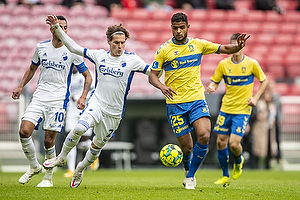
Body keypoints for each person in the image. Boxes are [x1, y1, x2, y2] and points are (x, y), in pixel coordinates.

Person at [43, 15, 154, 188]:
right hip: (97, 104)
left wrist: (166, 68)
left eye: (123, 43)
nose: (120, 46)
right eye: (116, 42)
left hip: (115, 114)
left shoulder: (132, 59)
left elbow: (153, 72)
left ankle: (80, 169)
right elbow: (73, 47)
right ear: (109, 41)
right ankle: (61, 158)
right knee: (79, 128)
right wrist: (57, 28)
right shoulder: (99, 55)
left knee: (95, 148)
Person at [148, 12, 250, 190]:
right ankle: (187, 166)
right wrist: (162, 87)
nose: (178, 31)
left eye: (181, 27)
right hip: (175, 104)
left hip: (196, 99)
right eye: (175, 28)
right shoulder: (164, 50)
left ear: (188, 27)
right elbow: (152, 76)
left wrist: (237, 47)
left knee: (204, 135)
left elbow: (223, 49)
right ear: (171, 28)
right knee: (187, 148)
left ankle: (190, 176)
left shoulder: (198, 44)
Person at [11, 15, 92, 187]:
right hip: (40, 96)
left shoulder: (72, 51)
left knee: (49, 141)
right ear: (52, 29)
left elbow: (88, 75)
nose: (62, 30)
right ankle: (34, 166)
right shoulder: (41, 47)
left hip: (58, 100)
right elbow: (32, 68)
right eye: (58, 26)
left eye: (64, 27)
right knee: (24, 131)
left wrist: (83, 96)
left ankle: (48, 178)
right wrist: (20, 86)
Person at [206, 33, 268, 185]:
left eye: (238, 45)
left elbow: (264, 81)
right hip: (226, 108)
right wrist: (212, 87)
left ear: (243, 45)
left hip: (242, 109)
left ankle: (239, 160)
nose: (236, 48)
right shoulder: (223, 64)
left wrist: (255, 97)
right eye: (233, 45)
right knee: (221, 142)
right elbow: (215, 81)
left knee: (233, 143)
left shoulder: (252, 63)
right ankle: (225, 174)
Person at [63, 67, 98, 178]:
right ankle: (71, 169)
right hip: (71, 111)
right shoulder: (67, 77)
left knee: (84, 141)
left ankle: (94, 155)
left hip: (85, 110)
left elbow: (93, 92)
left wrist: (78, 97)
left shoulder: (87, 75)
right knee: (70, 138)